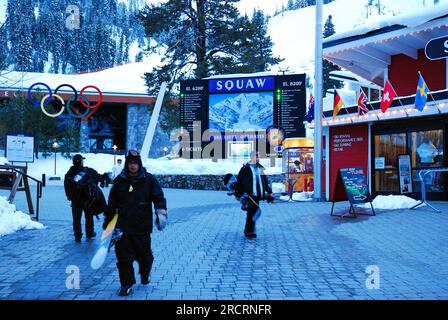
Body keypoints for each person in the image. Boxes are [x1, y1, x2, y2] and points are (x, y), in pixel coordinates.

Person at [103, 150, 167, 296]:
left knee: (144, 257)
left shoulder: (149, 180)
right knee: (124, 258)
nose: (133, 166)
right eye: (130, 163)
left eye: (135, 163)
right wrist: (108, 223)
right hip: (123, 227)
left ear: (139, 164)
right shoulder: (119, 181)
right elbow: (112, 203)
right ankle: (126, 284)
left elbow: (158, 197)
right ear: (127, 164)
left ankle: (145, 273)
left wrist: (160, 212)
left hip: (141, 227)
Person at [236, 151, 273, 239]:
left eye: (259, 156)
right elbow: (239, 181)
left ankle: (249, 230)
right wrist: (238, 193)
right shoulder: (245, 168)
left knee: (253, 212)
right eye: (257, 156)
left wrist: (269, 191)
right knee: (251, 212)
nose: (258, 158)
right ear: (252, 157)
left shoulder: (260, 168)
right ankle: (249, 231)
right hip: (249, 194)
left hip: (258, 194)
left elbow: (265, 181)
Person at [64, 154, 101, 243]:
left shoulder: (69, 173)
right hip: (87, 199)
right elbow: (97, 178)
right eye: (82, 160)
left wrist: (69, 197)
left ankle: (78, 236)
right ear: (80, 161)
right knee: (89, 216)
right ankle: (89, 233)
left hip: (75, 200)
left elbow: (66, 186)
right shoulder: (87, 170)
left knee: (76, 218)